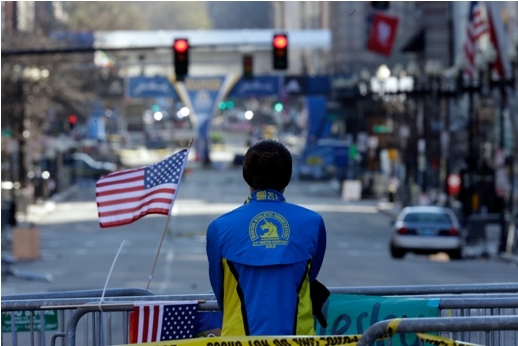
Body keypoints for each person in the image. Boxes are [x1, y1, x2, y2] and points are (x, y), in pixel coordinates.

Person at [206, 139, 327, 336]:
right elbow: (309, 276)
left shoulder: (218, 228)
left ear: (247, 177)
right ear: (287, 178)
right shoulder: (314, 223)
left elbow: (221, 294)